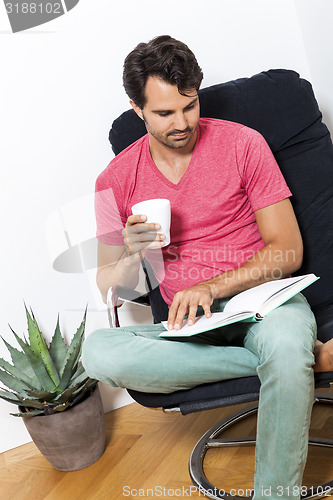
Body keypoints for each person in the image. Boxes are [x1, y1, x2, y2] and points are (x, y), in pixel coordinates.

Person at [82, 35, 320, 499]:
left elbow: (287, 249)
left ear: (197, 92)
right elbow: (111, 283)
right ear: (138, 109)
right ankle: (302, 361)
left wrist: (212, 287)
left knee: (285, 341)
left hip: (266, 303)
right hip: (187, 324)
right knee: (99, 354)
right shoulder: (114, 181)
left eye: (189, 106)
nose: (182, 123)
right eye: (164, 113)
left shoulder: (242, 144)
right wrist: (131, 254)